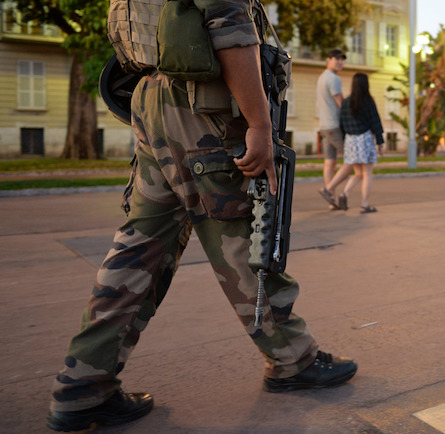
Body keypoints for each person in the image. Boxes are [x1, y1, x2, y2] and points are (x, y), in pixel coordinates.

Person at [46, 2, 356, 432]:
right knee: (245, 236)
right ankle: (293, 359)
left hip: (153, 102)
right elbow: (230, 27)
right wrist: (259, 125)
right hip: (201, 107)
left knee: (138, 249)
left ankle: (83, 384)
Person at [324, 73, 384, 213]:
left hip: (351, 140)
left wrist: (346, 141)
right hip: (365, 139)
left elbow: (342, 124)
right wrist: (380, 143)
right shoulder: (368, 101)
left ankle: (344, 194)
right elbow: (375, 121)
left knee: (358, 173)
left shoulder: (346, 102)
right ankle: (364, 205)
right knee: (367, 173)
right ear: (366, 85)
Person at [317, 49, 347, 209]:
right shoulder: (334, 79)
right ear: (328, 59)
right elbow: (340, 102)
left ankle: (332, 201)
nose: (340, 62)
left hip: (323, 126)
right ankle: (328, 190)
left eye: (342, 59)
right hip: (334, 126)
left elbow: (318, 104)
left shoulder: (321, 77)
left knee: (330, 163)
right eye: (337, 59)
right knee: (352, 160)